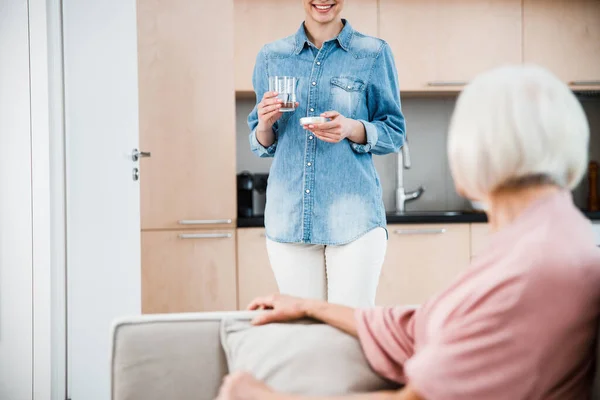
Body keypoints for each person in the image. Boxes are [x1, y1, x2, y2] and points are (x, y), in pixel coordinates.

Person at [219, 64, 600, 399]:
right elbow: (421, 325)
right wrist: (309, 306)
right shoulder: (545, 241)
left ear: (471, 154)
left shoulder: (536, 267)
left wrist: (258, 396)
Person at [247, 0, 406, 308]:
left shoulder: (373, 53)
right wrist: (265, 123)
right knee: (305, 333)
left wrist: (352, 128)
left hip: (354, 220)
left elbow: (394, 132)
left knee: (349, 330)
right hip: (289, 218)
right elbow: (261, 141)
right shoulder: (271, 57)